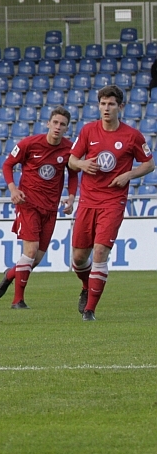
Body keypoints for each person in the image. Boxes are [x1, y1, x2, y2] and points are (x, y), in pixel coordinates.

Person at [67, 85, 154, 320]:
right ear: (99, 106)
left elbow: (149, 164)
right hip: (88, 201)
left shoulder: (132, 136)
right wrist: (82, 164)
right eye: (103, 104)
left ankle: (89, 311)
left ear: (120, 107)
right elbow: (72, 160)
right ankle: (86, 286)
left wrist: (128, 175)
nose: (106, 108)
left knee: (100, 251)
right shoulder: (88, 131)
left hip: (113, 201)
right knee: (78, 258)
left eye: (111, 104)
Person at [0, 107, 78, 309]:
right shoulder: (29, 144)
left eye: (62, 124)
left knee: (36, 259)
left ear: (67, 128)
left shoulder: (69, 149)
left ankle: (10, 274)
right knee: (30, 251)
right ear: (48, 123)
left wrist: (71, 197)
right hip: (28, 204)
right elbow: (7, 165)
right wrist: (13, 189)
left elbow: (74, 174)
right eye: (55, 122)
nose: (58, 127)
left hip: (50, 209)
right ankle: (18, 301)